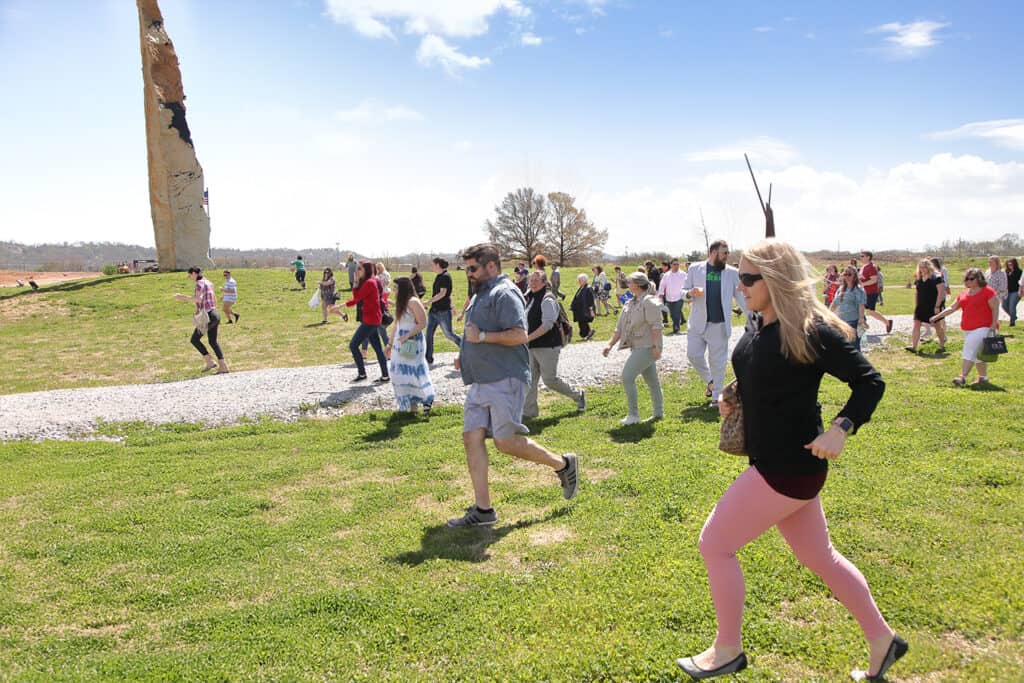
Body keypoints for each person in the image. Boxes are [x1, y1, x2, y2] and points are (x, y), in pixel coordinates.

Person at [676, 239, 903, 682]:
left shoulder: (812, 331)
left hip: (787, 467)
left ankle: (727, 650)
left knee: (715, 543)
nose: (738, 286)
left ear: (774, 280)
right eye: (738, 276)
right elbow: (761, 374)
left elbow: (869, 382)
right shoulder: (758, 324)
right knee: (821, 557)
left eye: (746, 278)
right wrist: (732, 396)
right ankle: (882, 640)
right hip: (778, 463)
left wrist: (841, 428)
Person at [446, 243, 579, 528]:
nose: (468, 274)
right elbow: (474, 332)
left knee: (506, 443)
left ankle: (563, 465)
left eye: (473, 268)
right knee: (471, 437)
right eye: (466, 268)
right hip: (482, 380)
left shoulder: (504, 293)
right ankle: (484, 510)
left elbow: (519, 334)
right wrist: (465, 353)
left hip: (505, 378)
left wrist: (480, 337)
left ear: (491, 267)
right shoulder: (482, 293)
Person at [684, 240, 748, 406]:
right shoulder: (694, 269)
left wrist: (753, 317)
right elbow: (682, 292)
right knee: (693, 355)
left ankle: (716, 398)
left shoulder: (732, 273)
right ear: (713, 253)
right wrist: (689, 293)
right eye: (724, 253)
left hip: (719, 325)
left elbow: (741, 298)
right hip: (697, 323)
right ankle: (711, 381)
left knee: (717, 362)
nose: (727, 256)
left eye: (727, 253)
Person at [603, 271, 664, 424]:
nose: (627, 284)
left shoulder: (650, 302)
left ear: (636, 285)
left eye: (629, 282)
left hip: (649, 346)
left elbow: (657, 326)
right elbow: (619, 329)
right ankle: (658, 413)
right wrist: (609, 345)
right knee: (652, 381)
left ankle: (633, 415)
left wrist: (656, 347)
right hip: (637, 347)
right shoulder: (629, 303)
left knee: (627, 376)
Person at [523, 270, 586, 419]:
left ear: (544, 283)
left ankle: (578, 395)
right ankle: (529, 412)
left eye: (536, 281)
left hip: (548, 346)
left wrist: (528, 338)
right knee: (530, 379)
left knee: (550, 380)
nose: (532, 283)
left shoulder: (547, 299)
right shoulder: (531, 298)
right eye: (531, 280)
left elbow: (547, 325)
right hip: (532, 346)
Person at [931, 267, 1000, 386]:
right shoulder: (964, 293)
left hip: (984, 327)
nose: (967, 281)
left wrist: (993, 324)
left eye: (970, 278)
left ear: (978, 279)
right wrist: (937, 316)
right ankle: (983, 378)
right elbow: (952, 307)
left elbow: (995, 308)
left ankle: (962, 378)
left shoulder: (987, 292)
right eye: (966, 279)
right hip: (968, 328)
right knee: (977, 353)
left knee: (969, 349)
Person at [385, 277, 434, 413]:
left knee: (414, 372)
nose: (394, 290)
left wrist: (407, 335)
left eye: (396, 287)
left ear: (402, 288)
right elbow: (397, 324)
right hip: (400, 342)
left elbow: (422, 323)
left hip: (413, 341)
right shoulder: (401, 303)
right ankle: (409, 405)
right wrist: (389, 344)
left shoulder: (413, 301)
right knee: (398, 372)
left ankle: (425, 399)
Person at [174, 266, 229, 374]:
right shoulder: (209, 282)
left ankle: (210, 361)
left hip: (208, 316)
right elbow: (212, 299)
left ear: (194, 273)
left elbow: (197, 299)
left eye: (190, 275)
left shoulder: (199, 284)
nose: (189, 277)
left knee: (194, 340)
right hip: (215, 314)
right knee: (213, 341)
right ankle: (223, 366)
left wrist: (182, 297)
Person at [343, 260, 390, 383]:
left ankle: (362, 374)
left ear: (367, 270)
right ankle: (385, 376)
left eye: (359, 269)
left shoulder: (369, 282)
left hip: (370, 320)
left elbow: (357, 298)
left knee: (353, 345)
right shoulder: (374, 281)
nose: (357, 271)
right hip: (373, 318)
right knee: (378, 348)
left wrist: (339, 306)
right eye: (357, 268)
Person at [424, 257, 463, 365]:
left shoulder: (446, 277)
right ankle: (428, 358)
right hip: (434, 311)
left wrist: (428, 301)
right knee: (428, 334)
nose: (432, 267)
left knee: (449, 334)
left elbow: (443, 293)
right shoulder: (438, 276)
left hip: (443, 312)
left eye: (433, 265)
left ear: (438, 265)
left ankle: (466, 348)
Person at [907, 259, 947, 353]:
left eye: (925, 267)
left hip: (933, 305)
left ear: (929, 267)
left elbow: (941, 292)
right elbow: (917, 292)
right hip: (921, 306)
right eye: (921, 267)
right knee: (916, 324)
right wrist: (916, 305)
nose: (923, 269)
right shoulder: (919, 279)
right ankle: (914, 346)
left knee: (937, 325)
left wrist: (937, 306)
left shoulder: (936, 277)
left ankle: (942, 344)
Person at [829, 266, 868, 351]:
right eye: (845, 274)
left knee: (854, 347)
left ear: (855, 276)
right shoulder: (841, 288)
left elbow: (861, 305)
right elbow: (835, 303)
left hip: (854, 321)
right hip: (842, 322)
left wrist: (861, 319)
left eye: (849, 274)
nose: (847, 276)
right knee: (843, 346)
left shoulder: (858, 289)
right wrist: (828, 314)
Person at [857, 251, 893, 334]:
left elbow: (874, 280)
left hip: (871, 292)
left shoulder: (872, 267)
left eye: (862, 256)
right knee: (860, 308)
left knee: (871, 311)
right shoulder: (864, 267)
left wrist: (863, 284)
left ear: (868, 257)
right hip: (864, 292)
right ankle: (863, 325)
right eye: (860, 256)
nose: (860, 258)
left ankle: (887, 322)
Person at [658, 258, 688, 334]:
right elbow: (662, 285)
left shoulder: (683, 274)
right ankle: (676, 327)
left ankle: (676, 329)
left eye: (677, 264)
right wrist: (660, 295)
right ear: (671, 265)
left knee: (677, 313)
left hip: (679, 297)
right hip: (669, 298)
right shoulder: (666, 275)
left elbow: (688, 284)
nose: (676, 266)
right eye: (674, 264)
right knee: (671, 314)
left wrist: (688, 294)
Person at [570, 273, 597, 341]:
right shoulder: (582, 287)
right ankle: (589, 333)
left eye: (580, 280)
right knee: (582, 322)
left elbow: (590, 300)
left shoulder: (588, 288)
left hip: (585, 309)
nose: (578, 281)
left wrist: (591, 310)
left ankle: (587, 334)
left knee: (583, 322)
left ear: (584, 280)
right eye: (578, 280)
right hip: (580, 309)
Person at [1004, 257, 1021, 326]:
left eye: (1011, 263)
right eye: (1008, 264)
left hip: (1016, 292)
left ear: (1015, 264)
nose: (1010, 265)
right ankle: (1014, 317)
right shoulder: (1006, 272)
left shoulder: (1019, 272)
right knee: (1004, 305)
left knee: (1012, 306)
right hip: (1007, 292)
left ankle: (1012, 322)